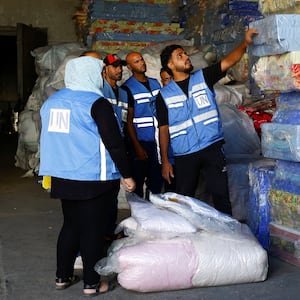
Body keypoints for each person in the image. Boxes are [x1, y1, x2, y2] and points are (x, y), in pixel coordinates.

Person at [39, 55, 135, 297]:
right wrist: (127, 175)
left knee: (70, 225)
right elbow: (114, 144)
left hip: (62, 176)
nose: (102, 78)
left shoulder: (52, 102)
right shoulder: (97, 103)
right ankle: (92, 283)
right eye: (100, 73)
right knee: (92, 230)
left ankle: (63, 276)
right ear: (92, 75)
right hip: (93, 177)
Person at [156, 27, 258, 216]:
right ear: (170, 65)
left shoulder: (203, 77)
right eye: (180, 55)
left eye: (185, 54)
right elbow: (163, 129)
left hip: (212, 148)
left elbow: (228, 61)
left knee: (221, 195)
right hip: (185, 154)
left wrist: (245, 43)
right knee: (184, 199)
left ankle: (229, 234)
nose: (186, 57)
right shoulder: (163, 96)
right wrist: (165, 162)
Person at [122, 51, 163, 199]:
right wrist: (137, 147)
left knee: (156, 181)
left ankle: (153, 215)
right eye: (136, 61)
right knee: (138, 182)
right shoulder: (127, 88)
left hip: (158, 140)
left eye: (141, 59)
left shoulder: (155, 83)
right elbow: (128, 121)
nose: (142, 63)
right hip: (141, 142)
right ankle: (139, 214)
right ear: (129, 67)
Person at [102, 53, 128, 242]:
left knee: (112, 195)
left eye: (120, 66)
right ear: (105, 68)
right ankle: (100, 234)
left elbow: (126, 121)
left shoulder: (124, 93)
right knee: (101, 194)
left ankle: (108, 232)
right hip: (103, 148)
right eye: (115, 66)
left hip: (119, 147)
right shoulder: (99, 90)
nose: (119, 70)